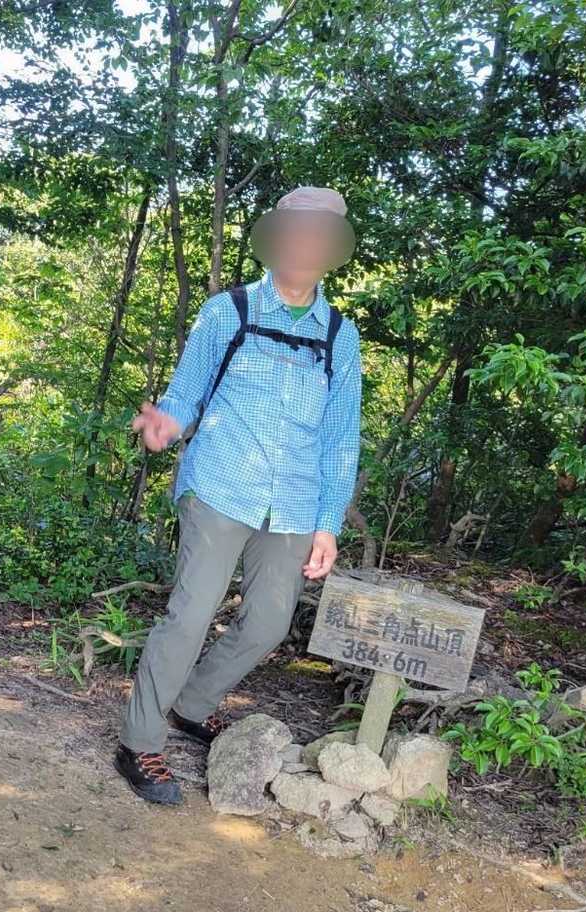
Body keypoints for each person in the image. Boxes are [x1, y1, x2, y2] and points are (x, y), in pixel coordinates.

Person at [115, 185, 362, 805]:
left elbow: (340, 438)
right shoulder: (228, 311)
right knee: (191, 614)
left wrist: (328, 523)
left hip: (295, 502)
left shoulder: (340, 335)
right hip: (221, 485)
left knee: (269, 623)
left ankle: (192, 705)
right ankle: (140, 741)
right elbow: (185, 394)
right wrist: (167, 425)